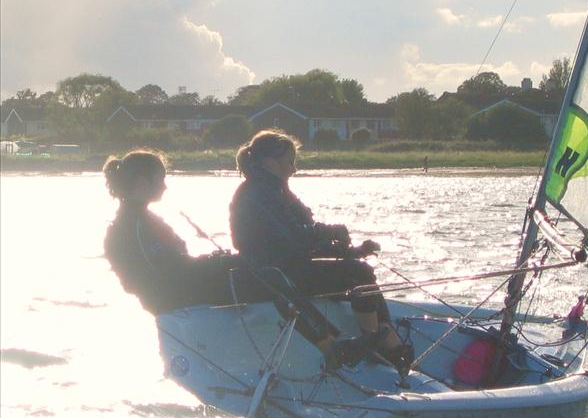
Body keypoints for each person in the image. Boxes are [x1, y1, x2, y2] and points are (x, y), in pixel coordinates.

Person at [102, 150, 334, 355]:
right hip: (176, 298)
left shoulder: (141, 219)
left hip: (182, 290)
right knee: (270, 277)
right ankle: (328, 344)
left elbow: (176, 266)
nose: (165, 185)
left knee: (262, 270)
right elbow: (173, 271)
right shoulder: (132, 226)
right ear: (143, 183)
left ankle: (324, 337)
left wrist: (220, 262)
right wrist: (220, 263)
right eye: (161, 179)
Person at [229, 130, 412, 371]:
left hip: (293, 265)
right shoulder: (256, 193)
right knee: (359, 275)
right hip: (274, 274)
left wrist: (351, 252)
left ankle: (381, 336)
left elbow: (305, 234)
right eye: (290, 162)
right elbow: (294, 236)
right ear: (270, 162)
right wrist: (331, 231)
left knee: (360, 273)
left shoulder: (277, 190)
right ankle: (376, 343)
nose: (293, 169)